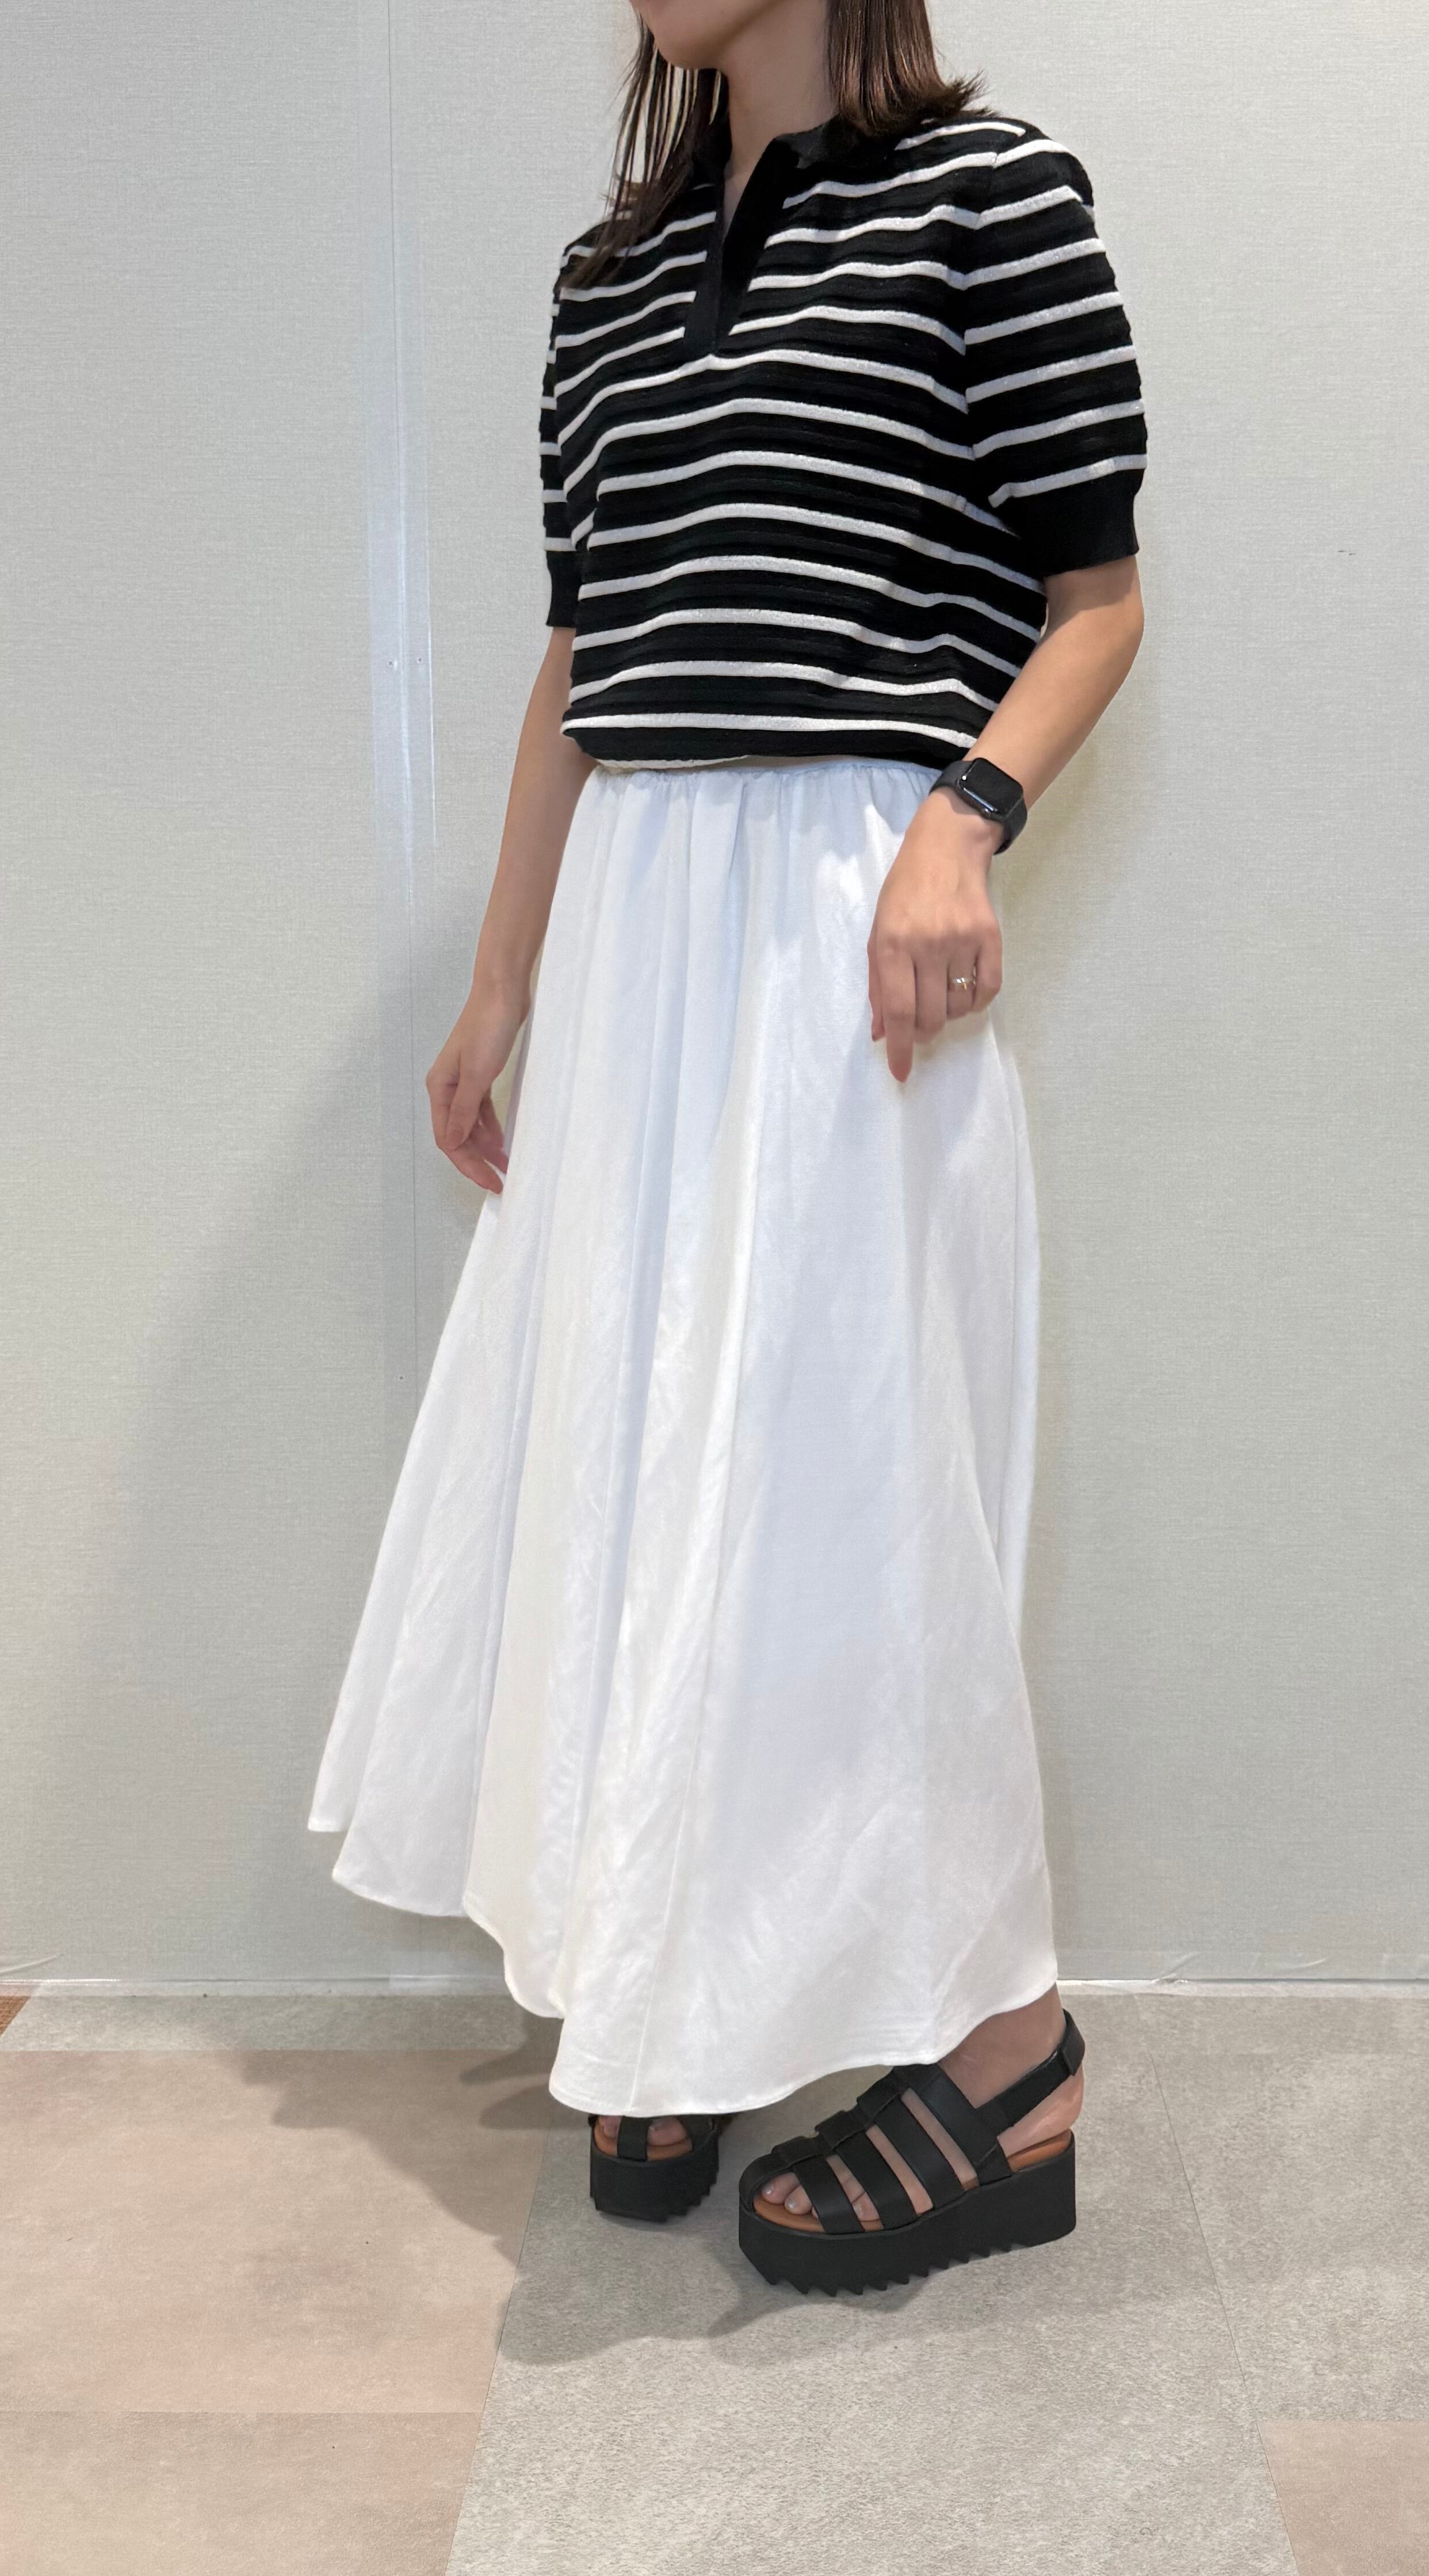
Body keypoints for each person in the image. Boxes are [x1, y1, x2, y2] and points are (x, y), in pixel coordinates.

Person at [308, 0, 1147, 2296]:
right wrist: (503, 980)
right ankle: (669, 1959)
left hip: (854, 928)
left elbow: (1096, 599)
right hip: (641, 929)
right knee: (628, 1456)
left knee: (855, 1485)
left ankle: (1012, 2064)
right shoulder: (610, 277)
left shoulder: (990, 197)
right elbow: (582, 657)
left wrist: (965, 820)